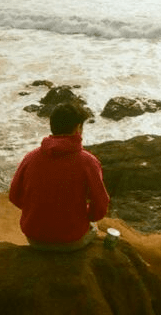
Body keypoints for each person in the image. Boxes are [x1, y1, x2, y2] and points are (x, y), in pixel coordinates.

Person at [9, 102, 110, 251]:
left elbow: (14, 196)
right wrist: (84, 216)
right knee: (93, 227)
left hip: (35, 238)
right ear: (78, 128)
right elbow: (101, 205)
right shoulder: (88, 162)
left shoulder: (30, 158)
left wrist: (38, 209)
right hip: (71, 241)